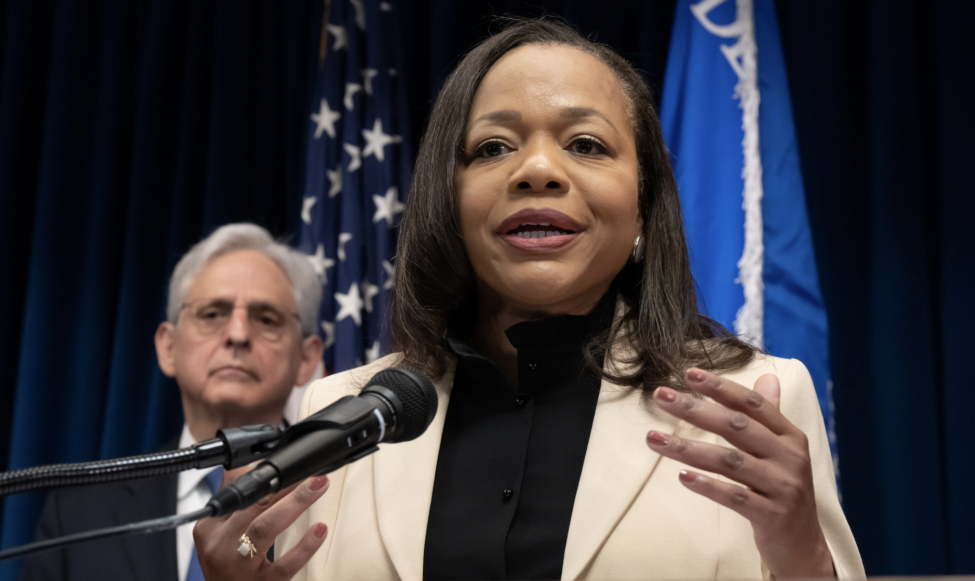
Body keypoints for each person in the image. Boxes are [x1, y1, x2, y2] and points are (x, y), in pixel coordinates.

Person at [193, 19, 865, 580]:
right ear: (448, 203)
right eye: (493, 147)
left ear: (642, 212)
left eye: (585, 144)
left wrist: (802, 555)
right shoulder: (338, 416)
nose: (538, 169)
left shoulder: (760, 397)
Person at [20, 224, 324, 581]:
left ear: (307, 359)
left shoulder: (338, 501)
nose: (238, 335)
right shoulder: (76, 516)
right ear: (168, 347)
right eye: (212, 314)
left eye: (266, 319)